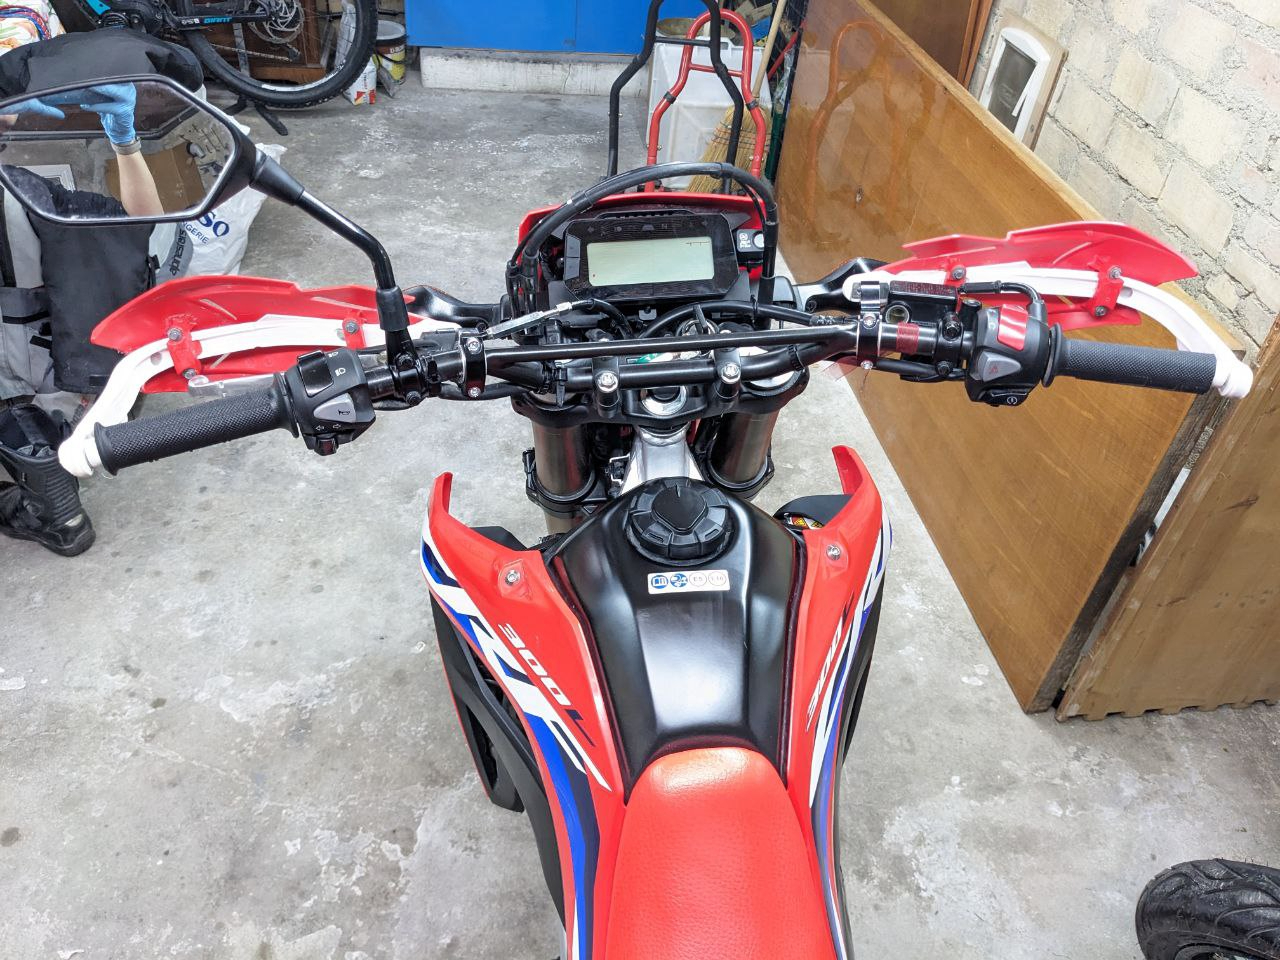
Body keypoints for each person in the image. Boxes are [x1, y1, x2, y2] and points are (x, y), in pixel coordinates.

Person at [0, 34, 202, 556]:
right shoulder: (24, 194)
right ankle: (48, 490)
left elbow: (134, 227)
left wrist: (126, 143)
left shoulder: (25, 195)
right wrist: (125, 146)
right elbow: (136, 228)